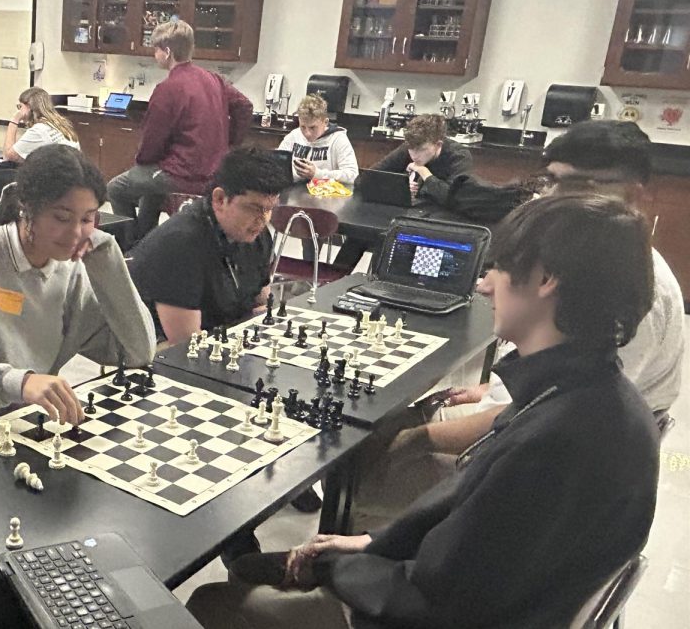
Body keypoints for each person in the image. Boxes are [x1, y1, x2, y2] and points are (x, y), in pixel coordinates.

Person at [187, 193, 660, 629]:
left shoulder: (559, 439)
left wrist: (337, 568)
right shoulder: (587, 395)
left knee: (210, 603)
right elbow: (470, 522)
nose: (485, 285)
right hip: (488, 599)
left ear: (544, 279)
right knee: (258, 566)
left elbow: (440, 597)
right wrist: (372, 544)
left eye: (500, 268)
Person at [348, 120, 685, 532]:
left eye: (581, 186)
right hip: (534, 427)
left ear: (633, 195)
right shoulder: (594, 264)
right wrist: (493, 388)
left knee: (377, 446)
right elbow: (557, 383)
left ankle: (364, 552)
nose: (555, 199)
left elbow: (552, 419)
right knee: (390, 420)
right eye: (554, 182)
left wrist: (419, 440)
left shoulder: (625, 294)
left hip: (544, 474)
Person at [0, 144, 156, 441]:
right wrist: (19, 383)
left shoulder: (70, 269)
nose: (76, 233)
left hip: (18, 426)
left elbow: (138, 353)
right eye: (62, 218)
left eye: (87, 219)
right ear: (27, 208)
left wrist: (109, 261)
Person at [107, 21, 253, 242]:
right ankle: (145, 243)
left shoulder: (168, 89)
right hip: (213, 171)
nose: (154, 54)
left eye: (156, 49)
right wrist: (230, 143)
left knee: (116, 188)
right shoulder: (214, 79)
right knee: (150, 188)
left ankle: (128, 246)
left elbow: (152, 140)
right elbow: (244, 106)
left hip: (182, 174)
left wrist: (142, 161)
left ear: (167, 52)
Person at [128, 147, 285, 344]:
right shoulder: (180, 244)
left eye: (269, 209)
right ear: (220, 199)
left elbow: (263, 305)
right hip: (163, 352)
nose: (263, 219)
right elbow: (186, 343)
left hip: (224, 336)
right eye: (254, 208)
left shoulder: (256, 235)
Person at [332, 113, 475, 269]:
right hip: (406, 214)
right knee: (361, 233)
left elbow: (454, 197)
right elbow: (367, 179)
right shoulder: (409, 149)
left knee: (391, 240)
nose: (414, 155)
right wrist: (400, 187)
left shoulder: (459, 157)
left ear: (438, 144)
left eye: (421, 149)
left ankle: (378, 280)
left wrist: (424, 174)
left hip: (438, 222)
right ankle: (331, 280)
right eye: (411, 149)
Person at [276, 94, 359, 186]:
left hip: (327, 195)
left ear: (325, 122)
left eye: (313, 128)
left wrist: (317, 174)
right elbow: (276, 165)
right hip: (294, 192)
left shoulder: (338, 139)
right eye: (303, 127)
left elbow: (352, 175)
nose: (307, 133)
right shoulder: (294, 136)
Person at [3, 87, 80, 163]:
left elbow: (8, 157)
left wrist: (14, 121)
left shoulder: (39, 130)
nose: (19, 110)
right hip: (72, 171)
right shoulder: (61, 124)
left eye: (20, 106)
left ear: (29, 107)